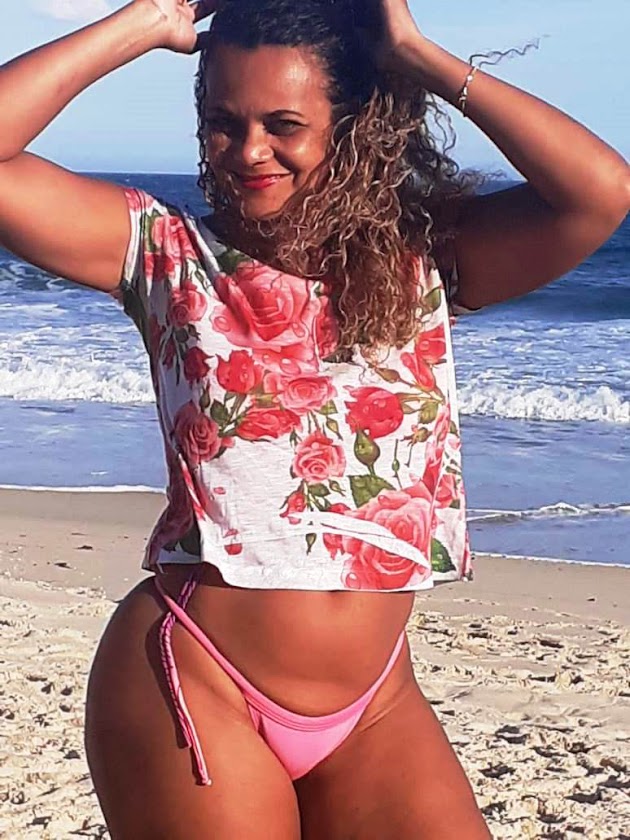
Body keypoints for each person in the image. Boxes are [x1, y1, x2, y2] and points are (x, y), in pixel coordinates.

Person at [1, 0, 628, 836]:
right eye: (224, 123)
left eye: (283, 124)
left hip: (376, 709)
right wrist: (147, 20)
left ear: (352, 122)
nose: (248, 150)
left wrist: (416, 54)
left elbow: (599, 192)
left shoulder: (425, 261)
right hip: (200, 677)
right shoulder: (162, 252)